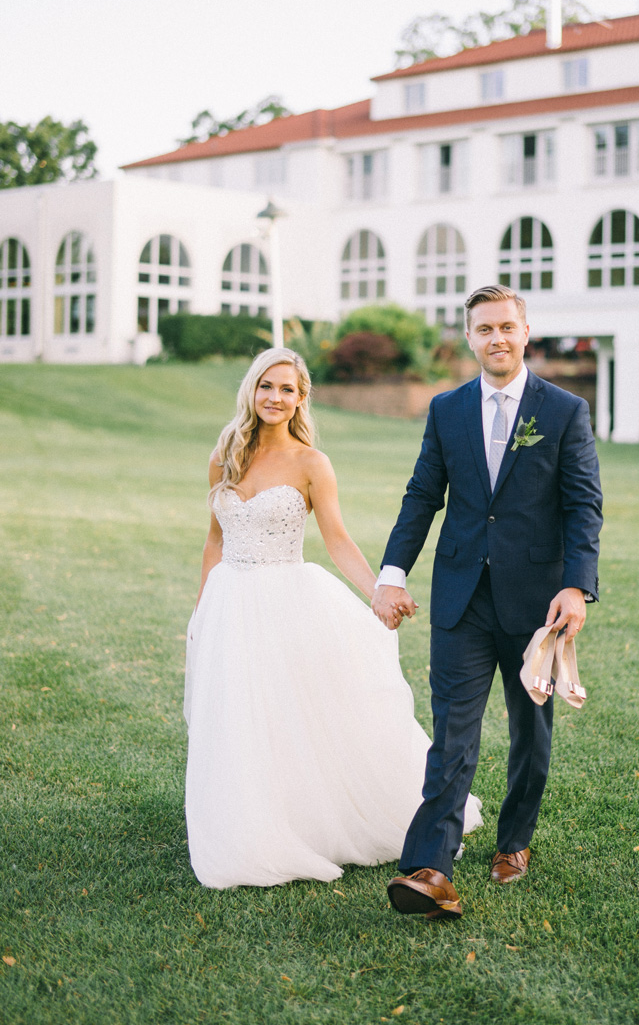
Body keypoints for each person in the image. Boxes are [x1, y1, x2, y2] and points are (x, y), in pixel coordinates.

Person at [183, 346, 480, 889]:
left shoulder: (311, 464)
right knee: (239, 717)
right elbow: (214, 540)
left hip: (286, 601)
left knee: (289, 715)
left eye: (287, 389)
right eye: (266, 386)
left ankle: (305, 821)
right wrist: (202, 610)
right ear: (252, 389)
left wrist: (380, 591)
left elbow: (338, 541)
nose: (275, 397)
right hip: (230, 602)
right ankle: (247, 821)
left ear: (302, 399)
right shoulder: (225, 453)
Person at [372, 286, 603, 920]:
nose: (496, 338)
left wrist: (577, 586)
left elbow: (584, 505)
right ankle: (429, 869)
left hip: (538, 605)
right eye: (483, 329)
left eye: (507, 327)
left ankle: (513, 842)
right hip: (460, 599)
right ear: (469, 338)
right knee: (452, 733)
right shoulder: (446, 410)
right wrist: (392, 574)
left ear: (526, 332)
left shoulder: (563, 411)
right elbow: (423, 497)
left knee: (531, 730)